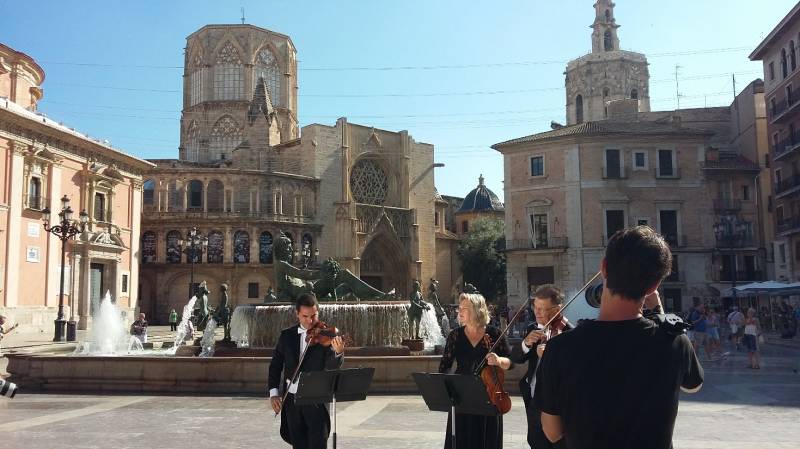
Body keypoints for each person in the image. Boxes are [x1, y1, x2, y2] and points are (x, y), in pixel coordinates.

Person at [534, 226, 703, 449]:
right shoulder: (674, 341)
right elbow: (693, 385)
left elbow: (552, 432)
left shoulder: (559, 348)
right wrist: (660, 314)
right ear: (654, 285)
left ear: (604, 268)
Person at [268, 293, 345, 449]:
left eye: (314, 315)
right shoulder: (287, 336)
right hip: (292, 401)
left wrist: (338, 352)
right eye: (305, 316)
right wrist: (274, 393)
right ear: (297, 314)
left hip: (316, 400)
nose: (310, 321)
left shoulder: (326, 336)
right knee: (298, 444)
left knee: (318, 444)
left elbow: (331, 367)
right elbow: (275, 365)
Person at [439, 292, 512, 449]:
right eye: (460, 308)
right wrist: (453, 385)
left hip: (489, 396)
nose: (460, 312)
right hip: (462, 397)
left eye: (464, 308)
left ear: (477, 310)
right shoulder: (455, 335)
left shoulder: (494, 334)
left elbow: (510, 362)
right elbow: (444, 366)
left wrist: (499, 361)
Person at [510, 284, 570, 449]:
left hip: (557, 404)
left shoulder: (569, 333)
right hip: (534, 399)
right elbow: (516, 358)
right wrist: (526, 344)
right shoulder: (533, 329)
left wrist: (552, 357)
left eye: (543, 309)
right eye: (535, 307)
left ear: (558, 309)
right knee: (536, 443)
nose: (537, 313)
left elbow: (573, 372)